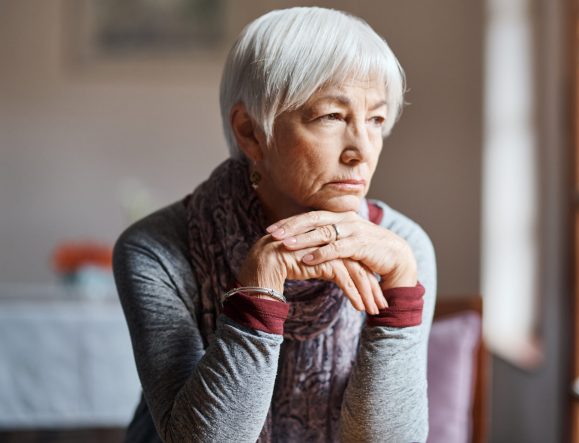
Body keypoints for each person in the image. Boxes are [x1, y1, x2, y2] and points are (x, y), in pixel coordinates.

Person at [113, 6, 436, 443]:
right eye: (332, 117)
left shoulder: (403, 247)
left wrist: (399, 283)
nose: (362, 150)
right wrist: (258, 291)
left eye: (376, 119)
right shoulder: (156, 248)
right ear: (250, 132)